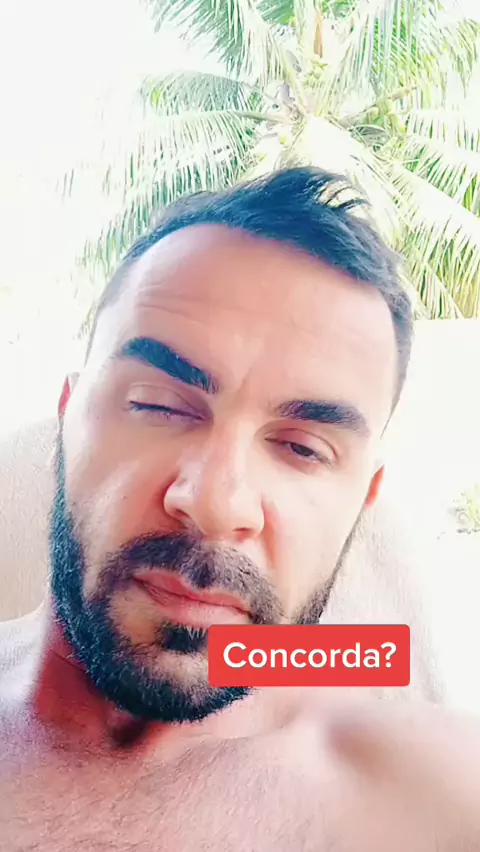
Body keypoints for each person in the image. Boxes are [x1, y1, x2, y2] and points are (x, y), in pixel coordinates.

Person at [1, 167, 479, 852]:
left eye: (303, 448)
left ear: (363, 499)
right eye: (159, 406)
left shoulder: (442, 793)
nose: (216, 504)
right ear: (68, 416)